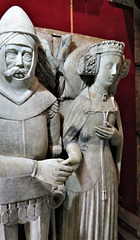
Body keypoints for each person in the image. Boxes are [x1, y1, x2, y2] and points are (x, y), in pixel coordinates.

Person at [0, 6, 73, 240]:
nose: (21, 62)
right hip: (0, 198)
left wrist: (58, 184)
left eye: (27, 54)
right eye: (12, 53)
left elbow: (55, 152)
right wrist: (37, 168)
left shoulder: (48, 101)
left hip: (40, 195)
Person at [60, 40, 130, 240]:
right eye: (109, 66)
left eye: (117, 67)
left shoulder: (112, 102)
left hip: (107, 172)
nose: (114, 72)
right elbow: (68, 137)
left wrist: (116, 138)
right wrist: (74, 155)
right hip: (84, 171)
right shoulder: (83, 101)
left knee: (104, 221)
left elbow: (119, 139)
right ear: (96, 66)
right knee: (84, 221)